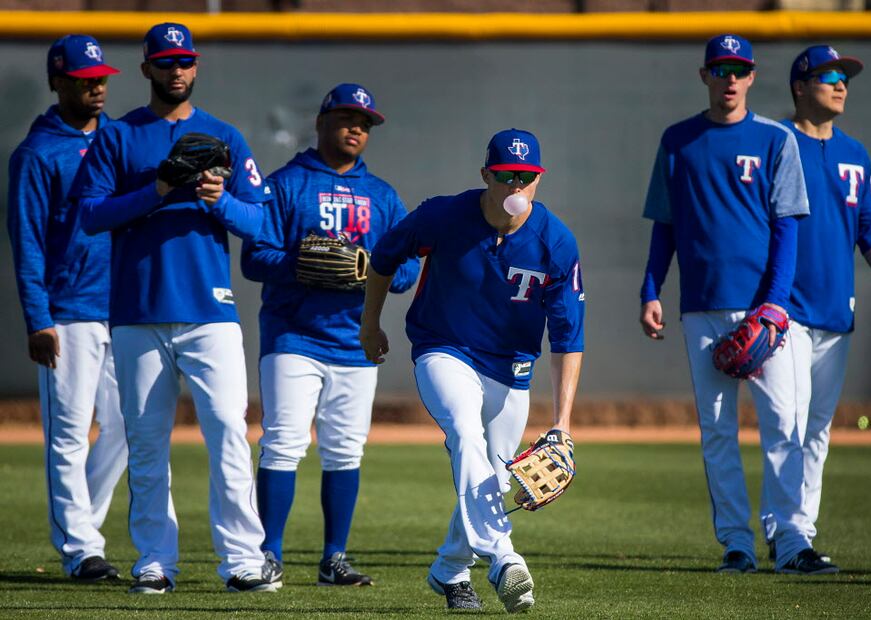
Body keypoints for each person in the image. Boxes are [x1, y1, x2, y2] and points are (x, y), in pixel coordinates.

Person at [71, 22, 275, 594]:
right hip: (137, 310)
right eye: (165, 62)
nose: (176, 70)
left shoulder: (224, 135)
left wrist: (219, 201)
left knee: (229, 434)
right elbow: (89, 215)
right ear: (146, 69)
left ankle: (242, 558)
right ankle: (155, 560)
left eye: (185, 61)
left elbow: (262, 222)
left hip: (210, 311)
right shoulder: (118, 137)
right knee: (145, 442)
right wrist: (157, 191)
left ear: (196, 66)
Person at [359, 128, 585, 612]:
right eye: (506, 176)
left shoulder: (556, 242)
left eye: (527, 178)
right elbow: (383, 257)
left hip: (510, 369)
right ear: (486, 175)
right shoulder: (443, 215)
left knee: (494, 476)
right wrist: (369, 324)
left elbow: (569, 338)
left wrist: (563, 423)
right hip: (444, 349)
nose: (516, 187)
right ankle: (503, 557)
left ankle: (449, 571)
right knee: (465, 434)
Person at [638, 34, 837, 575]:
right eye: (720, 69)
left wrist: (773, 306)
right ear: (704, 75)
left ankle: (792, 540)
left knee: (783, 426)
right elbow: (666, 226)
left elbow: (787, 230)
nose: (730, 79)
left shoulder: (776, 140)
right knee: (719, 430)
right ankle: (736, 544)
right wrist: (651, 289)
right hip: (701, 306)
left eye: (739, 69)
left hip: (769, 313)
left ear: (751, 77)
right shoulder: (678, 141)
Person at [241, 83, 420, 588]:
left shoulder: (382, 197)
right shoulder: (285, 184)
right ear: (320, 123)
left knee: (345, 450)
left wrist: (369, 272)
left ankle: (333, 559)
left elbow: (406, 273)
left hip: (355, 340)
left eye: (365, 122)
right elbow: (254, 258)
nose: (356, 128)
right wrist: (302, 263)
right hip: (293, 336)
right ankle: (269, 554)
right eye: (346, 118)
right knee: (283, 444)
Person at [759, 45, 871, 564]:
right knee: (786, 421)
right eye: (827, 76)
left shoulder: (855, 155)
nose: (840, 84)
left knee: (816, 430)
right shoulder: (776, 142)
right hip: (782, 311)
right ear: (800, 86)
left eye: (844, 76)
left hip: (834, 312)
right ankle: (788, 538)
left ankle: (798, 532)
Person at [7, 34, 127, 583]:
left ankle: (87, 526)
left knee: (129, 426)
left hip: (123, 307)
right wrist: (39, 318)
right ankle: (80, 548)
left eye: (100, 78)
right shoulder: (37, 154)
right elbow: (27, 241)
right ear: (58, 82)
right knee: (69, 432)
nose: (95, 87)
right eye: (83, 80)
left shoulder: (119, 141)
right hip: (68, 311)